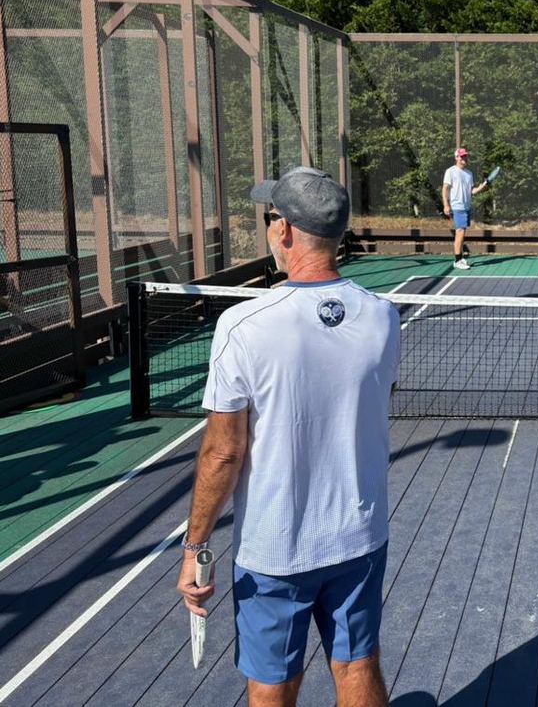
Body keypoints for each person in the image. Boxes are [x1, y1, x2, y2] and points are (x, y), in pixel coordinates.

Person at [176, 166, 401, 707]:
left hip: (275, 547)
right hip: (360, 534)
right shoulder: (383, 316)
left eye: (272, 216)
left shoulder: (244, 324)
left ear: (285, 232)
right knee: (358, 661)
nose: (271, 227)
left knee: (271, 681)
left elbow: (224, 452)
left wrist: (195, 545)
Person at [442, 147, 490, 269]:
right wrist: (446, 205)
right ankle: (457, 261)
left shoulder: (469, 174)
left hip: (466, 207)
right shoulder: (450, 171)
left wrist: (481, 188)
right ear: (456, 157)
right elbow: (445, 189)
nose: (464, 158)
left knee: (462, 233)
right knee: (460, 233)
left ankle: (460, 258)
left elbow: (472, 191)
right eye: (462, 156)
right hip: (457, 207)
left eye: (465, 156)